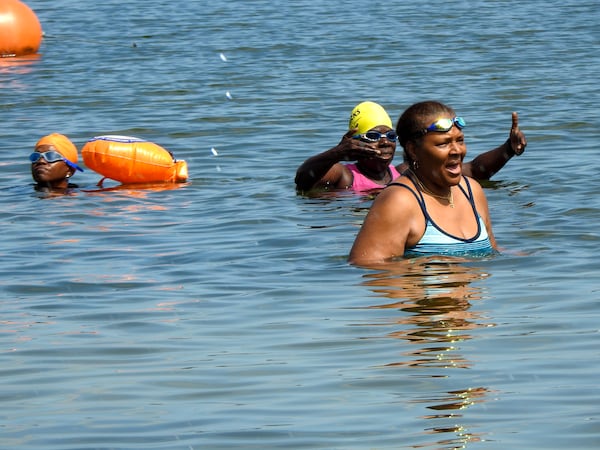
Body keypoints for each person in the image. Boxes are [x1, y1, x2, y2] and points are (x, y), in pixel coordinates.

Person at [348, 100, 498, 265]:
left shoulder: (472, 191)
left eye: (460, 140)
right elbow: (369, 268)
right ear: (413, 150)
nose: (457, 151)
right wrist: (426, 267)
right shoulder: (399, 201)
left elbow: (493, 253)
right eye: (443, 143)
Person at [295, 101, 526, 193]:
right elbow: (303, 180)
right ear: (353, 141)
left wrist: (507, 149)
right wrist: (337, 153)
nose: (384, 142)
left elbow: (474, 171)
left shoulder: (405, 171)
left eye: (391, 135)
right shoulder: (345, 176)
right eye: (373, 136)